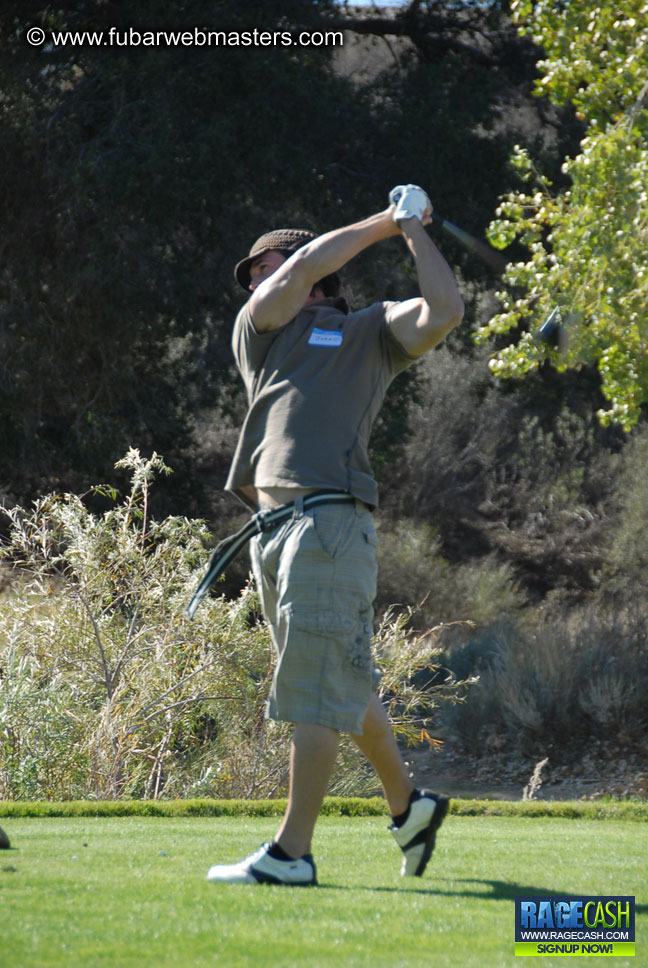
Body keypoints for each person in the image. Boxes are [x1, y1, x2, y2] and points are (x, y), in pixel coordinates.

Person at [203, 185, 465, 886]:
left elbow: (446, 310)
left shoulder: (372, 331)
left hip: (330, 519)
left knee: (316, 683)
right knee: (338, 678)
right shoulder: (262, 329)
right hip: (272, 530)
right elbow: (297, 273)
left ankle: (293, 854)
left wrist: (414, 233)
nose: (255, 279)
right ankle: (410, 808)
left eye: (261, 265)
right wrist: (386, 219)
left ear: (314, 272)